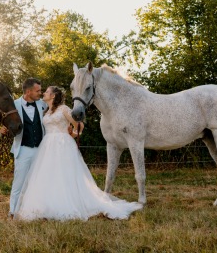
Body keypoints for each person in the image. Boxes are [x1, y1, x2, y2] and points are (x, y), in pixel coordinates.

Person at [14, 86, 143, 221]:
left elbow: (79, 125)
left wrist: (73, 134)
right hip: (47, 145)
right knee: (49, 174)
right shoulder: (46, 111)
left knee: (65, 175)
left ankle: (68, 203)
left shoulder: (63, 109)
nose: (43, 93)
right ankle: (46, 205)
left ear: (53, 96)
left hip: (63, 144)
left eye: (46, 91)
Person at [0, 78, 46, 217]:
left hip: (41, 149)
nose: (40, 93)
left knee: (39, 182)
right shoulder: (14, 105)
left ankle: (36, 211)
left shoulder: (43, 105)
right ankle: (13, 211)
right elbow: (6, 124)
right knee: (19, 183)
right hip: (23, 149)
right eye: (37, 91)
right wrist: (2, 130)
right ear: (28, 91)